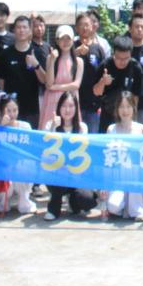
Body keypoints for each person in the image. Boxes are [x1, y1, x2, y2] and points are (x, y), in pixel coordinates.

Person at [43, 92, 95, 221]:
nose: (67, 110)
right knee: (60, 177)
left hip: (76, 174)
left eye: (71, 106)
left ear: (76, 108)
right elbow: (45, 148)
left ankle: (72, 200)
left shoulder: (82, 127)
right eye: (64, 106)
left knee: (87, 201)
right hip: (56, 173)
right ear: (59, 107)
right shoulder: (51, 124)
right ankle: (53, 209)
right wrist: (53, 128)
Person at [102, 92, 143, 221]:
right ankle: (126, 207)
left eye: (128, 106)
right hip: (117, 177)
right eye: (122, 107)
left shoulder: (141, 129)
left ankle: (137, 209)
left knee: (134, 176)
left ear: (133, 108)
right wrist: (104, 184)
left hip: (135, 176)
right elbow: (108, 158)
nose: (125, 111)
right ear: (117, 109)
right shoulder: (111, 129)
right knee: (113, 207)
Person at [0, 93, 37, 215]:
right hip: (4, 167)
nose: (12, 114)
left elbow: (31, 148)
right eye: (8, 110)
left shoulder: (25, 126)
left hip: (21, 166)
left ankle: (24, 200)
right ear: (2, 112)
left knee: (27, 166)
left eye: (15, 110)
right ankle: (2, 201)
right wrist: (2, 128)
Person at [0, 15, 46, 129]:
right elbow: (1, 80)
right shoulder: (5, 54)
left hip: (31, 109)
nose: (21, 30)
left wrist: (36, 65)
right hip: (10, 109)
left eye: (24, 27)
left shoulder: (38, 53)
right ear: (14, 30)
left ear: (30, 30)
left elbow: (44, 80)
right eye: (18, 27)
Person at [94, 35, 143, 132]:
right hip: (108, 113)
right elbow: (96, 92)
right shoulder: (105, 66)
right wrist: (103, 82)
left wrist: (132, 117)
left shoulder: (136, 68)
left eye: (126, 58)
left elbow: (136, 96)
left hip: (127, 115)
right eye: (119, 58)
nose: (122, 62)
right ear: (113, 54)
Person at [39, 25, 84, 130]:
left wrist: (55, 87)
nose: (65, 42)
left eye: (68, 38)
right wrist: (52, 61)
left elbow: (76, 85)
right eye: (62, 38)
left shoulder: (78, 61)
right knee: (50, 129)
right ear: (57, 41)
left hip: (70, 101)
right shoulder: (50, 58)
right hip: (52, 101)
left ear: (72, 40)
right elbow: (49, 83)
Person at [74, 12, 106, 133]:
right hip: (75, 102)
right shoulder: (71, 47)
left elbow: (104, 72)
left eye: (87, 24)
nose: (84, 28)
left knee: (92, 136)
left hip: (94, 103)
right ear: (76, 28)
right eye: (81, 25)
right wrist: (76, 53)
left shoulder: (98, 49)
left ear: (92, 27)